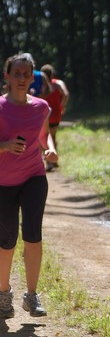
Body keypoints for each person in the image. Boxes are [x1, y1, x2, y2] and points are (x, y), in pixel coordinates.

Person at [0, 52, 58, 319]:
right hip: (4, 182)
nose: (22, 79)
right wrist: (5, 146)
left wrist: (50, 150)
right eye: (17, 74)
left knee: (33, 234)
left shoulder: (41, 107)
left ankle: (32, 295)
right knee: (6, 240)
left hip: (34, 176)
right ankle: (3, 294)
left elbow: (45, 137)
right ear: (7, 76)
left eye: (27, 74)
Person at [40, 64, 70, 171]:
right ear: (52, 74)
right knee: (52, 136)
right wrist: (62, 106)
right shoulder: (58, 83)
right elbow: (66, 94)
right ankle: (52, 160)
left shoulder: (40, 85)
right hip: (56, 113)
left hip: (43, 114)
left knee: (46, 137)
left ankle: (50, 161)